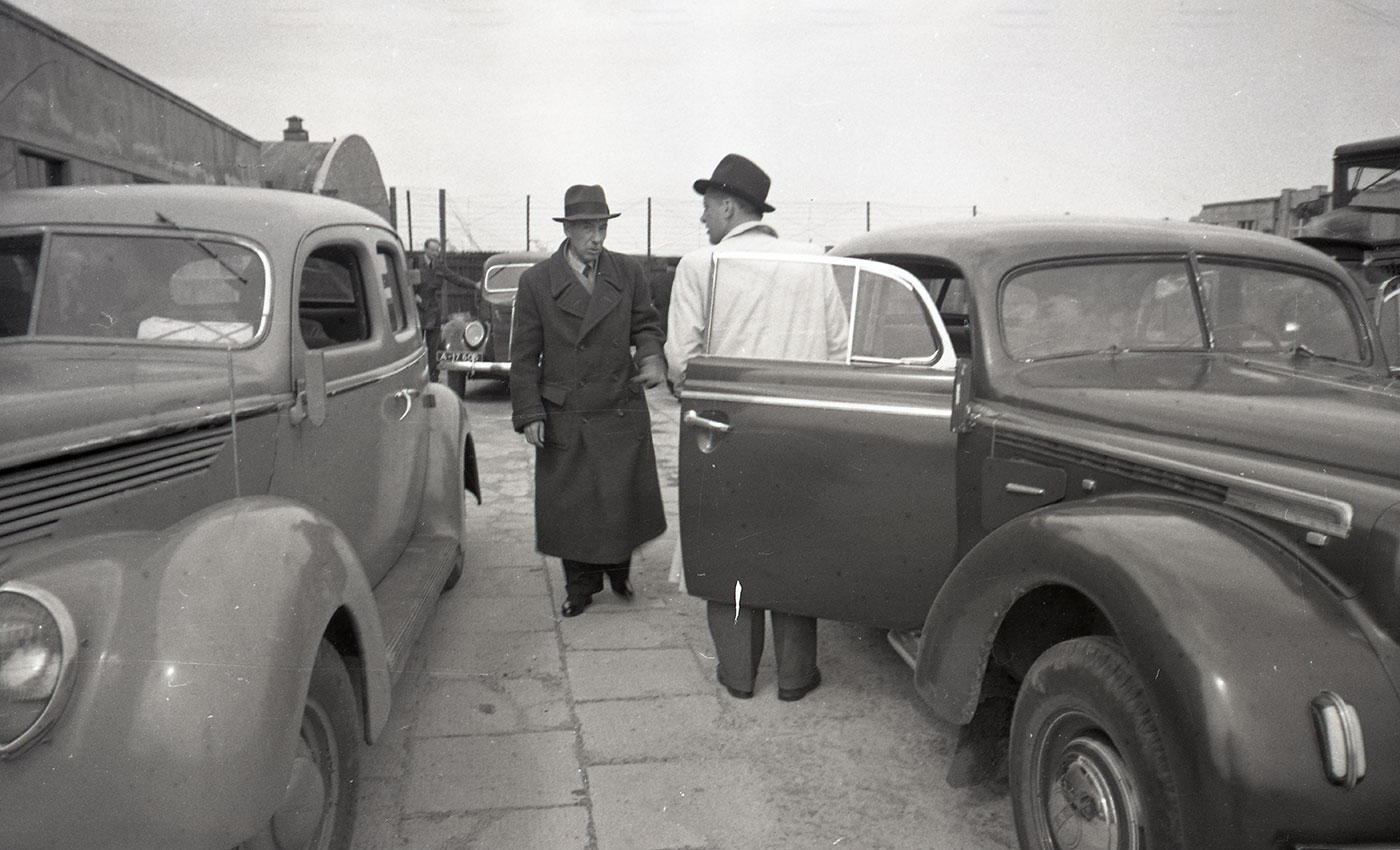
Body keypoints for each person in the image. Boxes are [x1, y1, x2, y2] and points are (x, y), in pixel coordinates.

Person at [665, 153, 847, 702]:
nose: (703, 220)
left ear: (726, 206)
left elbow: (680, 360)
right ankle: (795, 677)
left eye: (706, 208)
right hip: (800, 429)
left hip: (725, 429)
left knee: (728, 549)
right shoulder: (814, 261)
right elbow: (839, 352)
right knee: (793, 544)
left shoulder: (702, 266)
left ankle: (738, 675)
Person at [510, 184, 668, 618]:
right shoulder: (536, 282)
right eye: (587, 229)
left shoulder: (629, 273)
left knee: (617, 500)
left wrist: (652, 356)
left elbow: (647, 325)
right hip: (567, 411)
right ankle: (578, 588)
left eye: (601, 227)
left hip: (618, 400)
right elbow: (523, 356)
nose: (597, 238)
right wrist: (529, 413)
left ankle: (618, 574)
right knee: (574, 506)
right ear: (569, 229)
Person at [415, 238, 475, 380]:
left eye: (437, 250)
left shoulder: (439, 265)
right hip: (417, 310)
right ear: (425, 249)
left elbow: (455, 278)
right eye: (432, 250)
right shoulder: (415, 262)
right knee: (416, 347)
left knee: (433, 347)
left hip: (434, 310)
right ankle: (416, 378)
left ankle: (433, 378)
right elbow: (405, 282)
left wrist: (474, 285)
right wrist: (413, 295)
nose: (435, 253)